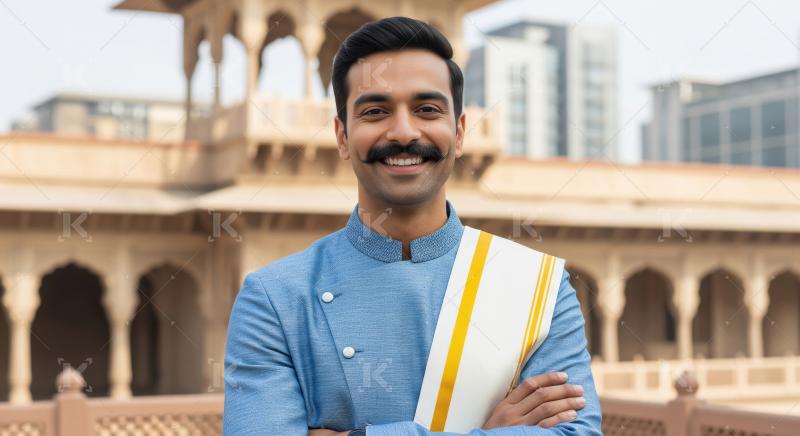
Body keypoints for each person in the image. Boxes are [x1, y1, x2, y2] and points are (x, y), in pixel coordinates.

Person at [223, 16, 602, 436]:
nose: (403, 132)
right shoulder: (275, 300)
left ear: (459, 133)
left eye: (427, 109)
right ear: (343, 136)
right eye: (375, 111)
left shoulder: (539, 288)